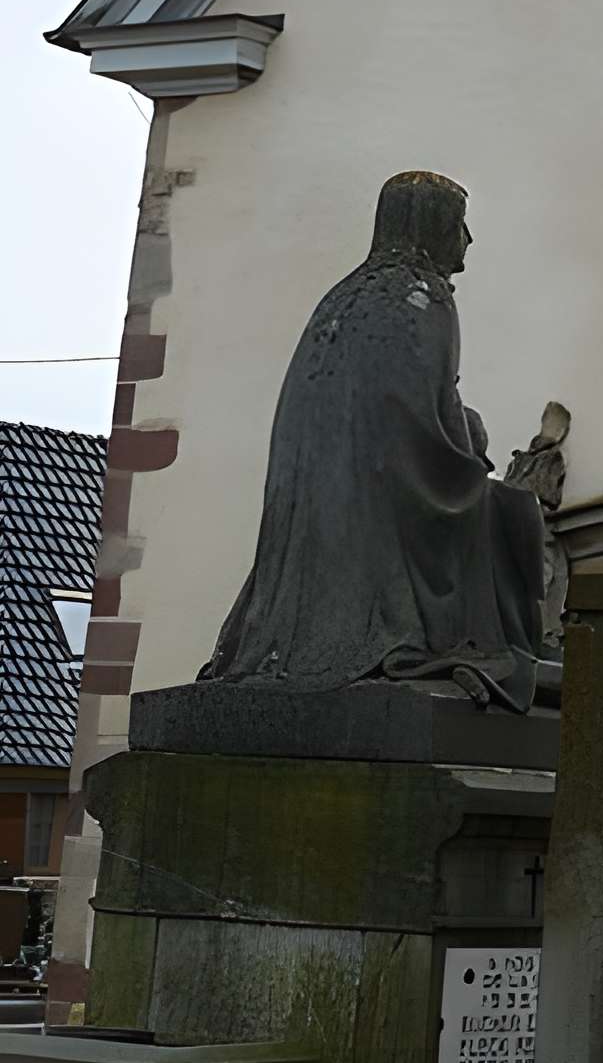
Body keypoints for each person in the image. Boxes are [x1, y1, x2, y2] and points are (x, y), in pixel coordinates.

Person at [199, 171, 551, 710]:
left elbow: (399, 401)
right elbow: (426, 421)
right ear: (431, 225)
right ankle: (463, 640)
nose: (468, 240)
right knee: (513, 514)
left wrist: (457, 420)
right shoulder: (424, 295)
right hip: (390, 501)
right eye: (460, 224)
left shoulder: (344, 297)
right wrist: (469, 438)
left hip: (325, 500)